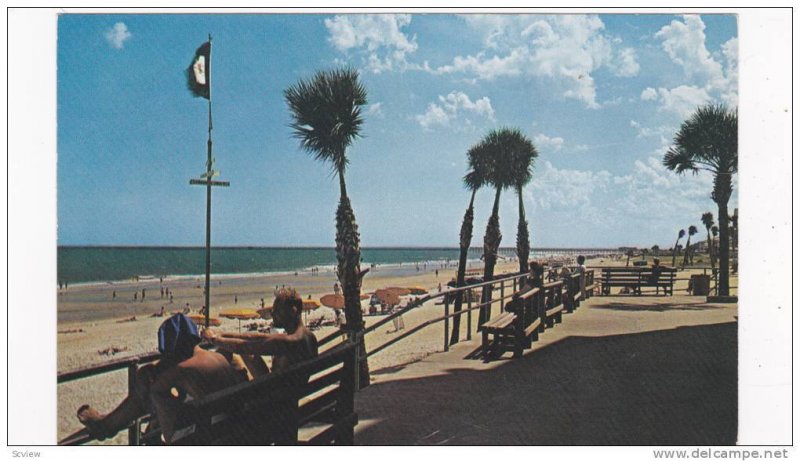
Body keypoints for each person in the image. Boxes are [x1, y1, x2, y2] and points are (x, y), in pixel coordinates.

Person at [76, 314, 244, 444]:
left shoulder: (184, 369)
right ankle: (108, 424)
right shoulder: (216, 358)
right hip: (234, 432)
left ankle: (106, 426)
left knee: (148, 388)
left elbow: (154, 390)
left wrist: (148, 372)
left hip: (206, 441)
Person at [202, 288, 318, 380]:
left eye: (277, 310)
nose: (273, 314)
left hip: (273, 402)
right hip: (283, 393)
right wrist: (220, 334)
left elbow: (243, 346)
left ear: (293, 311)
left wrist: (213, 339)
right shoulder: (308, 337)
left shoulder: (291, 341)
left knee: (234, 356)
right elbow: (257, 337)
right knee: (242, 349)